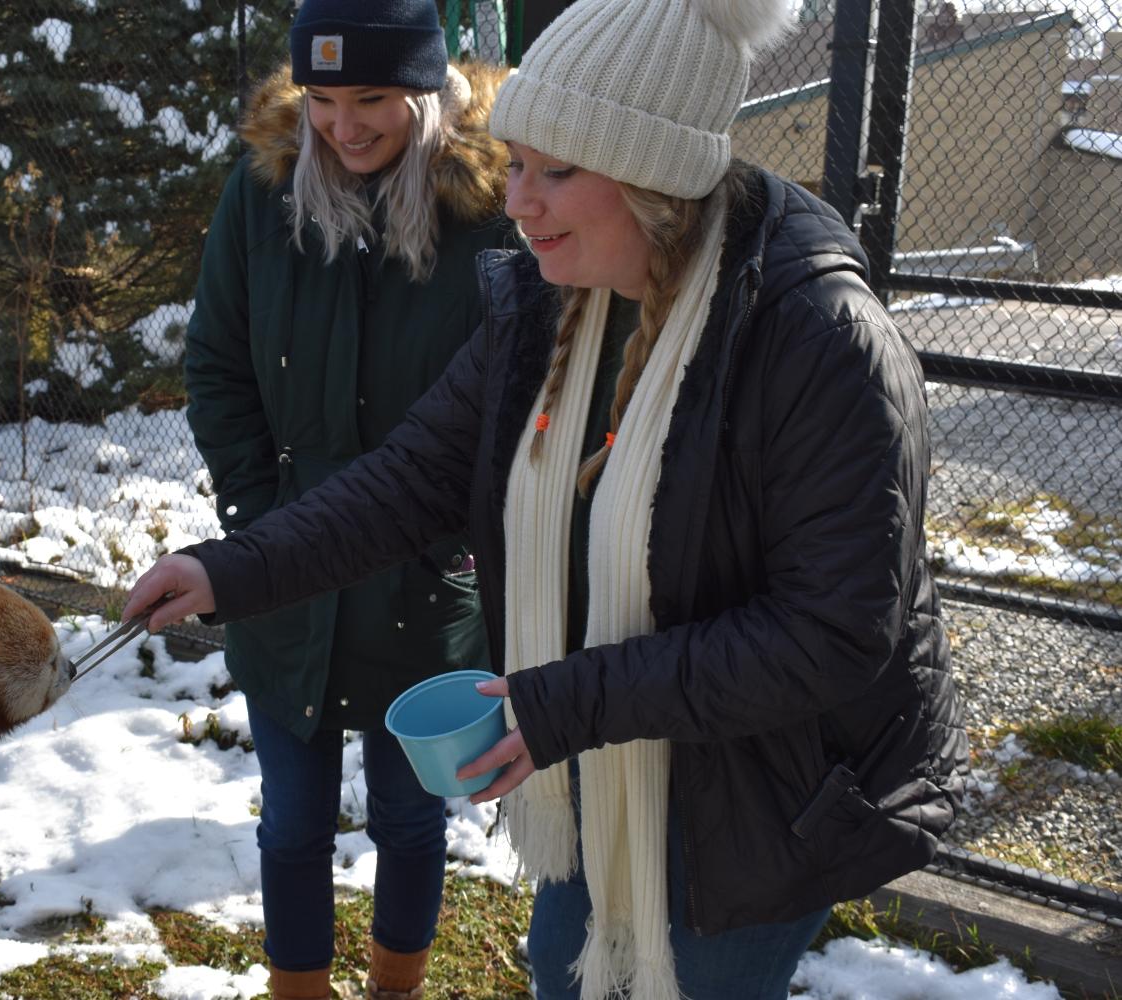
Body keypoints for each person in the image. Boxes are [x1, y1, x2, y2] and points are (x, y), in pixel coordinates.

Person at [131, 0, 968, 997]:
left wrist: (562, 700)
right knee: (564, 972)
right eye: (516, 163)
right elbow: (410, 480)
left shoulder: (818, 338)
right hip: (606, 761)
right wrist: (230, 569)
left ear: (655, 179)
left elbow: (831, 631)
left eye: (555, 173)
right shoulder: (547, 299)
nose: (516, 201)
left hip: (765, 794)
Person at [178, 1, 511, 997]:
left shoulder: (492, 210)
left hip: (426, 576)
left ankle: (396, 985)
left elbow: (514, 398)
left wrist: (460, 540)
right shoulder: (263, 188)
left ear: (427, 87)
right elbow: (216, 362)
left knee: (414, 816)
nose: (343, 124)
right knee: (293, 818)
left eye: (371, 97)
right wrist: (261, 516)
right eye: (322, 98)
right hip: (288, 568)